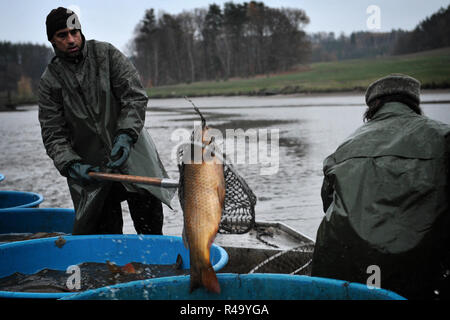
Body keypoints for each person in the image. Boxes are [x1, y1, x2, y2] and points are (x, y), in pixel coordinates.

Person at [311, 74, 450, 300]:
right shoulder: (443, 136)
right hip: (417, 272)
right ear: (414, 104)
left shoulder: (347, 144)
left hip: (339, 267)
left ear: (372, 108)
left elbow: (327, 202)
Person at [38, 7, 175, 235]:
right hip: (93, 170)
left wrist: (126, 135)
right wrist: (71, 164)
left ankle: (157, 269)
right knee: (106, 240)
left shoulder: (107, 54)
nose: (71, 39)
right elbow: (53, 134)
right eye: (62, 35)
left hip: (133, 156)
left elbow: (134, 96)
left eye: (74, 32)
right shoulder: (49, 81)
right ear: (52, 39)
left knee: (150, 230)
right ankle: (119, 270)